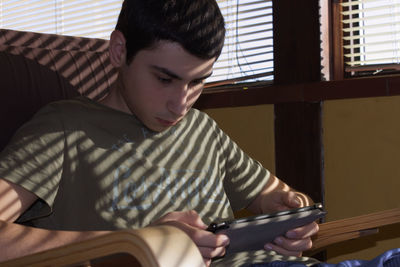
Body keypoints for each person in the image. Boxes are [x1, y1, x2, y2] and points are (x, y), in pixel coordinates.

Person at [0, 0, 319, 266]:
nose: (181, 105)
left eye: (197, 82)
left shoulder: (202, 129)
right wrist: (138, 241)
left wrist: (294, 215)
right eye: (165, 79)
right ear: (119, 50)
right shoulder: (64, 129)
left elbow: (273, 196)